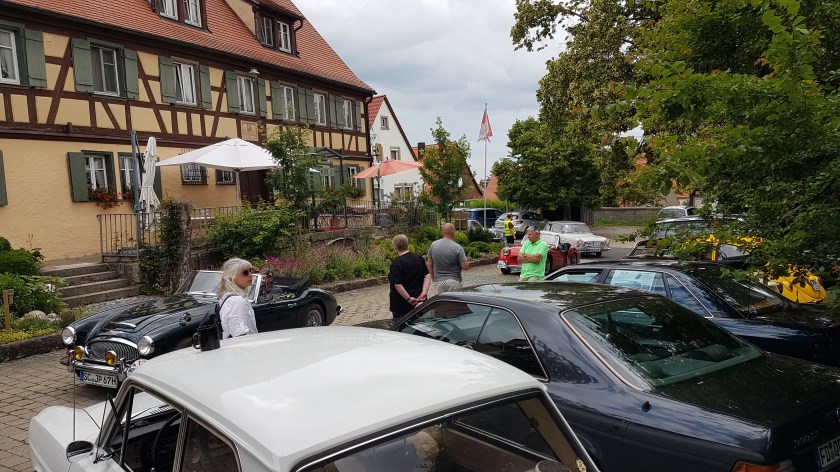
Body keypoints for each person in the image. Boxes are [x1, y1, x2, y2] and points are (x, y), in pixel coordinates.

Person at [388, 234, 430, 319]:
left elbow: (397, 284)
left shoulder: (396, 263)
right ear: (408, 245)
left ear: (395, 247)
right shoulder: (419, 259)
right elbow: (427, 275)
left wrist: (408, 298)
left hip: (401, 304)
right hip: (420, 299)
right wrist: (424, 292)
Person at [216, 258, 258, 338]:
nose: (250, 274)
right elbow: (240, 336)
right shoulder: (237, 301)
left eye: (251, 270)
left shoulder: (227, 298)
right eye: (245, 272)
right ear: (231, 278)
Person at [426, 223, 469, 295]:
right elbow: (465, 266)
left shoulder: (433, 245)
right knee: (453, 302)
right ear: (453, 232)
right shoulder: (457, 247)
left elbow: (429, 264)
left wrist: (434, 279)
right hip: (454, 282)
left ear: (443, 232)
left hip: (439, 282)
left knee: (440, 302)